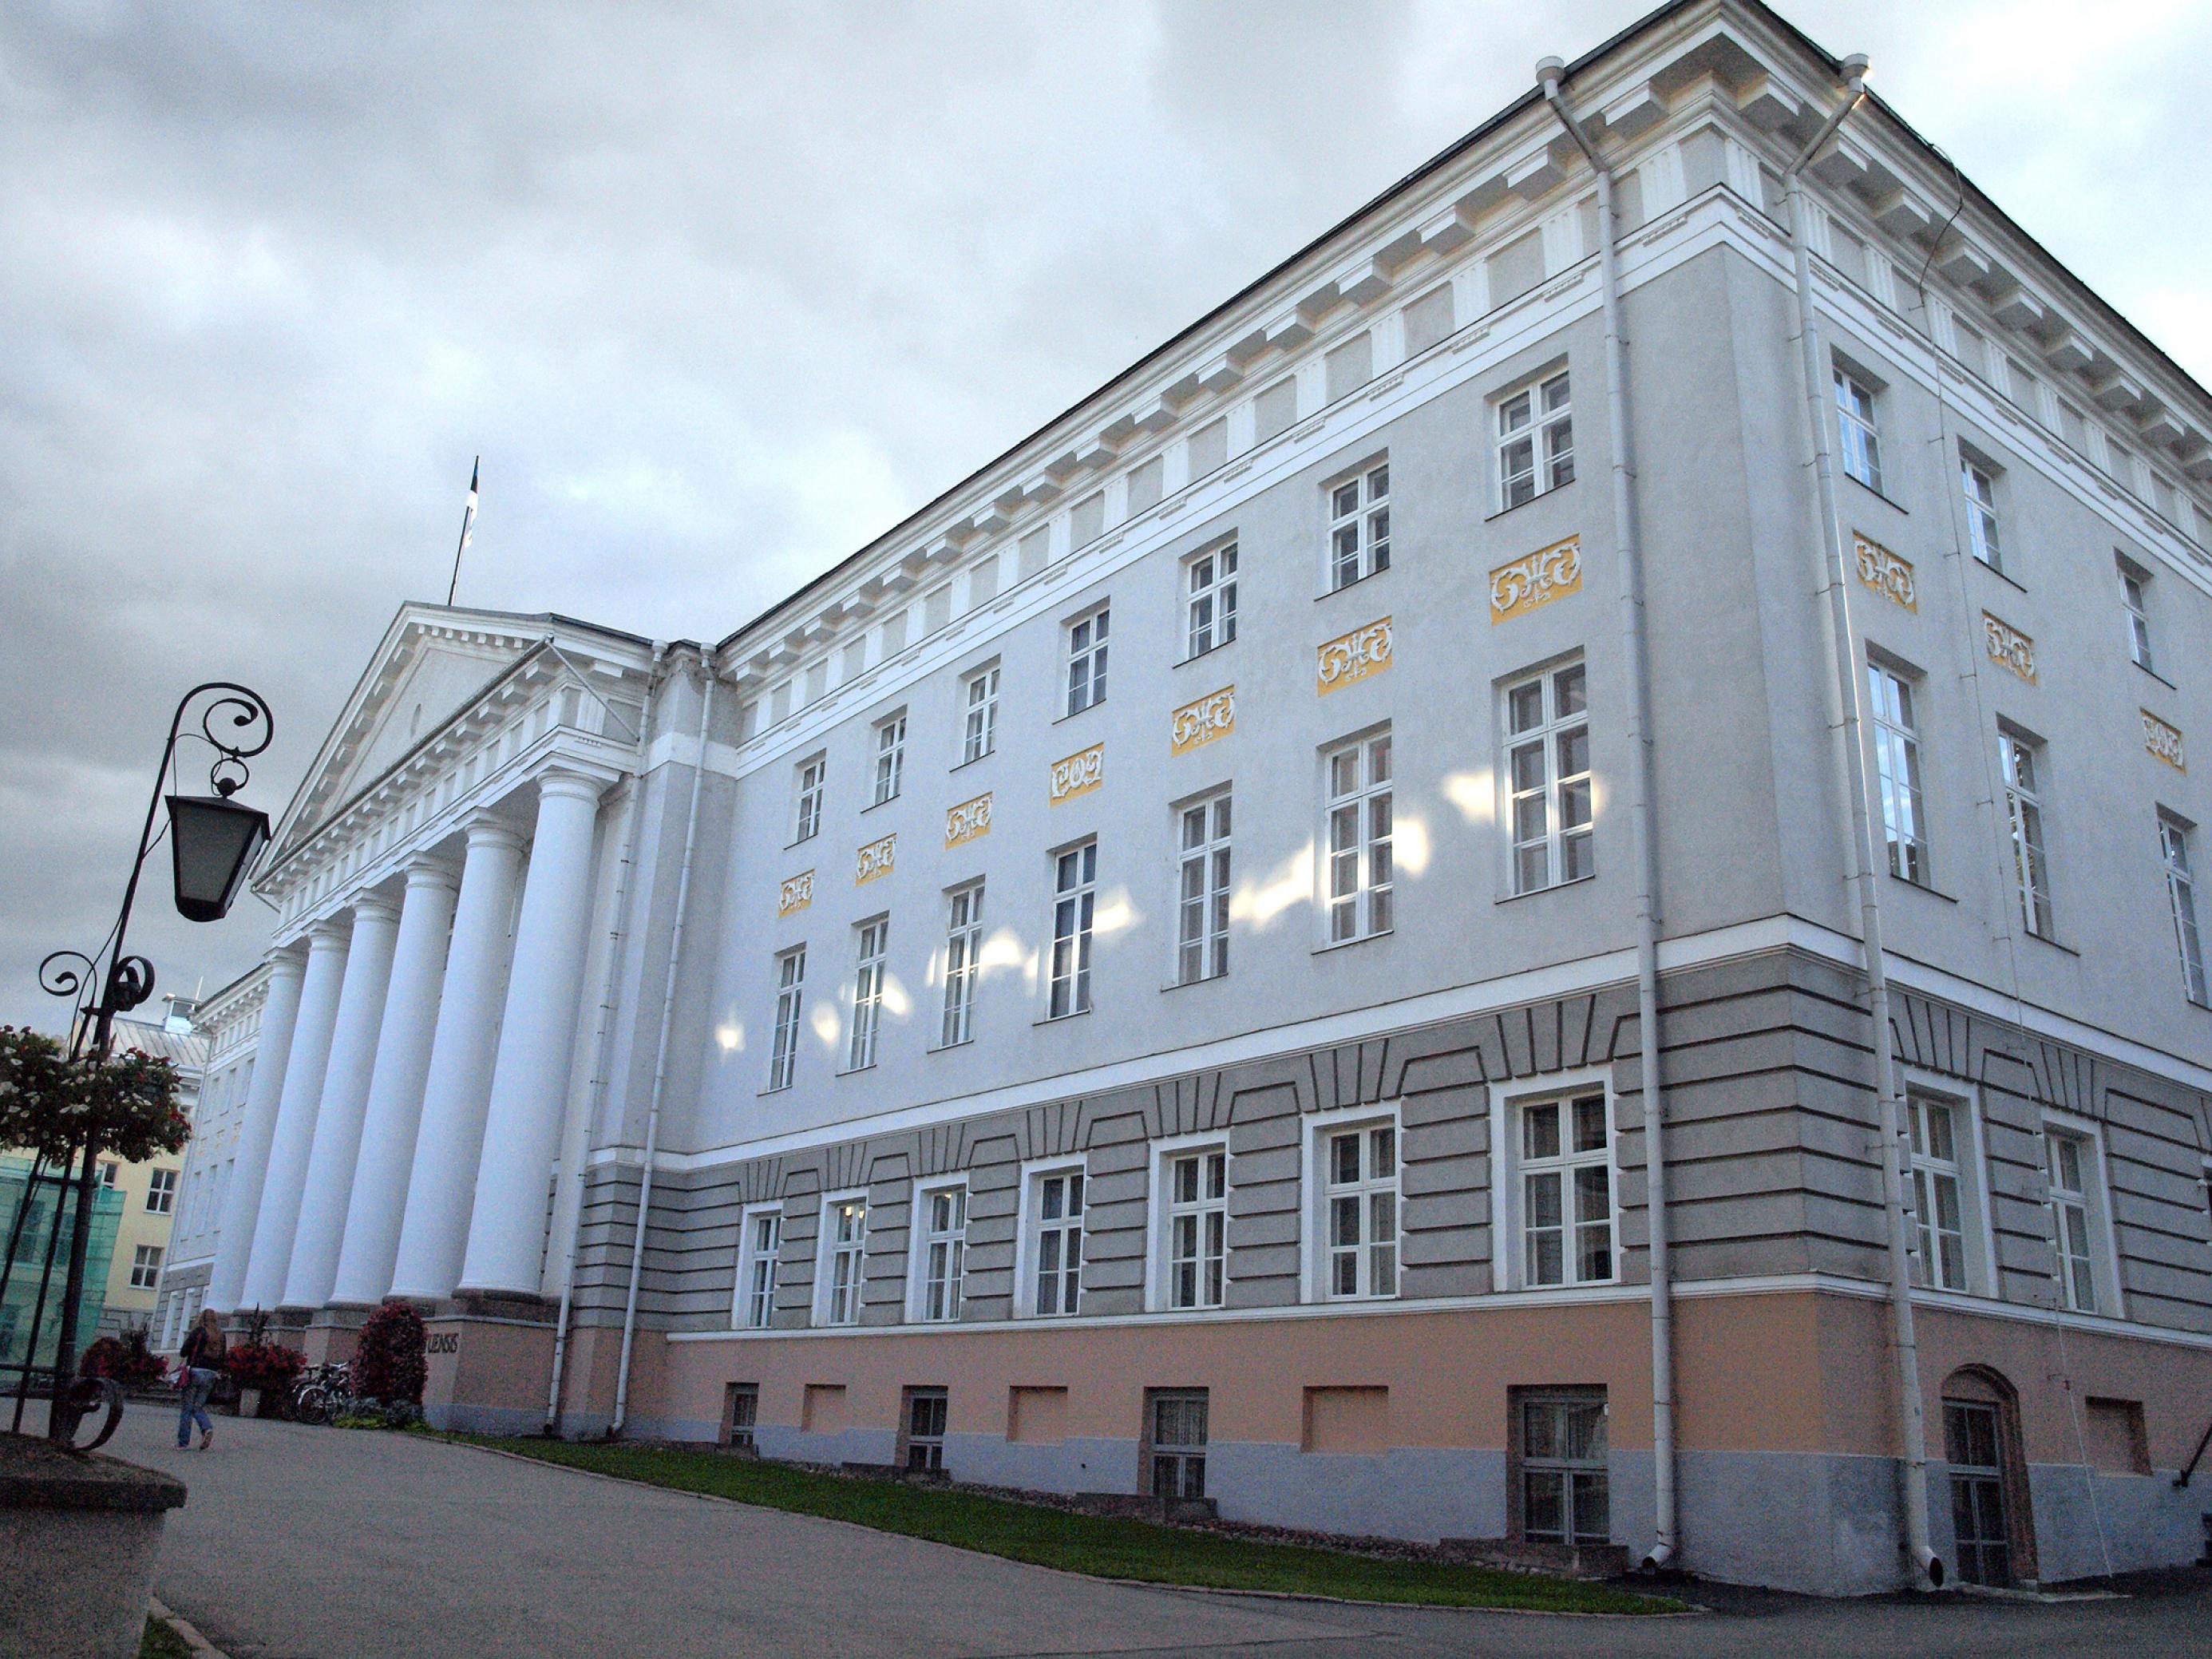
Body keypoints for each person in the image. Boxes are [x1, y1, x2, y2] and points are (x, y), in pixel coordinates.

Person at [176, 1309, 224, 1451]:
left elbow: (183, 1351)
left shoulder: (198, 1332)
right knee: (198, 1407)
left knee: (187, 1407)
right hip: (211, 1375)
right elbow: (223, 1357)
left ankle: (183, 1442)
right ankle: (206, 1427)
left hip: (195, 1372)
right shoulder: (221, 1335)